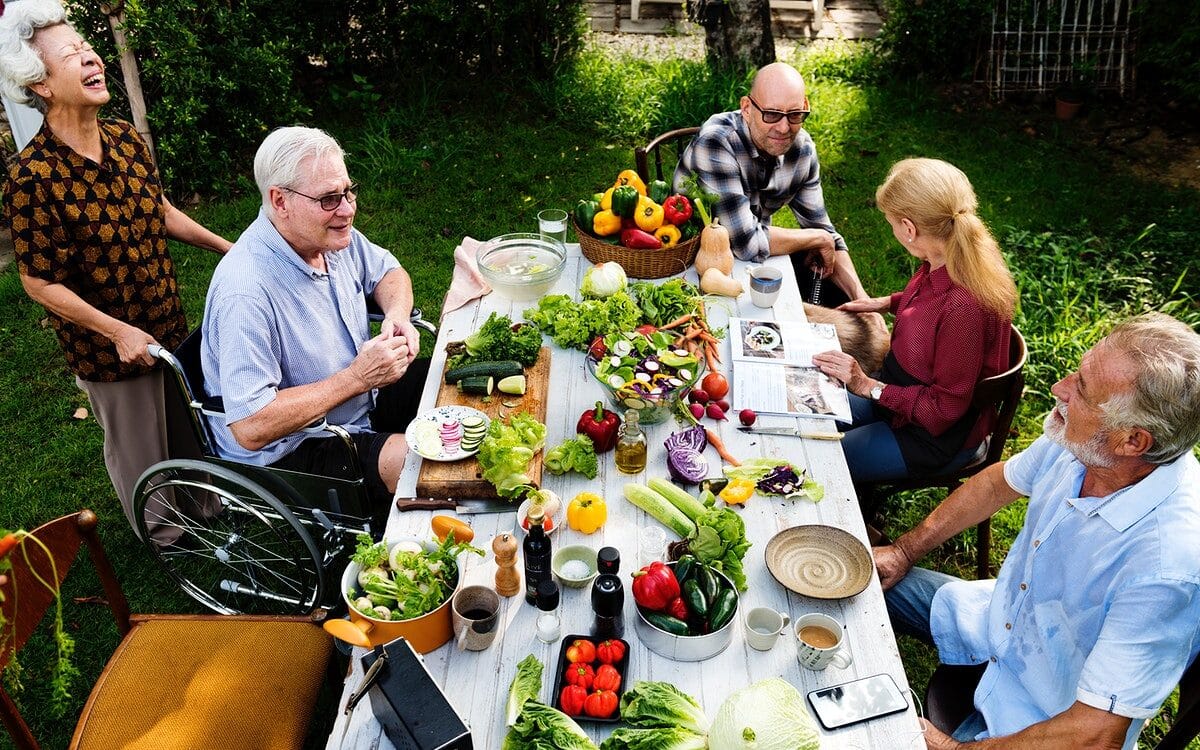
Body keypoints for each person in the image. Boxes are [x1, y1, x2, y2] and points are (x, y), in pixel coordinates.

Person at [875, 313, 1200, 749]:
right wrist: (902, 550)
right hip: (993, 618)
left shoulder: (1168, 564)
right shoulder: (1084, 439)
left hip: (1036, 717)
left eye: (1081, 389)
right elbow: (996, 484)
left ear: (1132, 442)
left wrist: (954, 748)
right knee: (851, 578)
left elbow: (1094, 734)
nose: (1059, 389)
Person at [0, 0, 232, 542]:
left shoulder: (125, 138)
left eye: (87, 48)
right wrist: (117, 330)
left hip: (165, 317)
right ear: (40, 84)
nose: (91, 59)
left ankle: (206, 507)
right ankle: (166, 538)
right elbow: (37, 280)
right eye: (72, 56)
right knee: (139, 445)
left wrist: (230, 248)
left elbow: (160, 210)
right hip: (109, 346)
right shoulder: (31, 178)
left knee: (184, 422)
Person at [201, 126, 429, 508]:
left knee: (455, 384)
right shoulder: (246, 290)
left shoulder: (327, 234)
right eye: (328, 199)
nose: (347, 209)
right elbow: (252, 426)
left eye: (348, 191)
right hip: (293, 447)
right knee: (423, 463)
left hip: (359, 401)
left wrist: (397, 314)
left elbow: (390, 273)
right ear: (280, 201)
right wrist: (357, 378)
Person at [813, 158, 1017, 483]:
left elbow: (943, 410)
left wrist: (866, 385)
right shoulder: (950, 255)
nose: (891, 229)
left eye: (890, 222)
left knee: (817, 462)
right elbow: (932, 305)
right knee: (803, 423)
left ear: (909, 228)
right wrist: (887, 302)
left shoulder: (963, 307)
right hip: (897, 397)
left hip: (931, 435)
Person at [674, 61, 867, 306]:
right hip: (690, 264)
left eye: (795, 114)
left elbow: (824, 231)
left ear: (805, 107)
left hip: (755, 262)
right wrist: (816, 238)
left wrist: (862, 299)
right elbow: (745, 242)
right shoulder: (716, 142)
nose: (784, 128)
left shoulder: (802, 150)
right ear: (746, 108)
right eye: (772, 114)